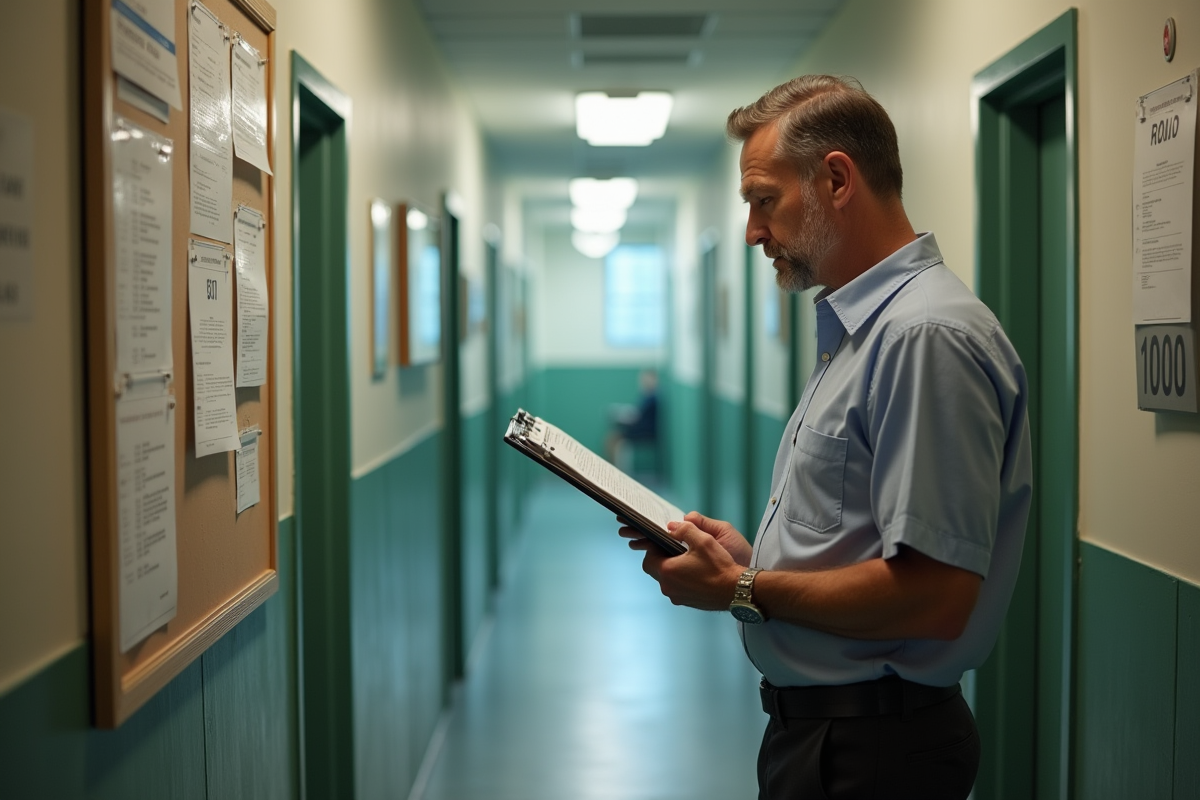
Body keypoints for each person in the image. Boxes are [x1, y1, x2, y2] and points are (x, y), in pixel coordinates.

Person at [620, 75, 1032, 800]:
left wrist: (743, 588)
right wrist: (751, 561)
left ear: (836, 180)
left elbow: (935, 595)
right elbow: (860, 541)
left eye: (763, 200)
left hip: (875, 753)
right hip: (828, 737)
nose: (753, 232)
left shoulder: (923, 337)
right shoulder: (861, 333)